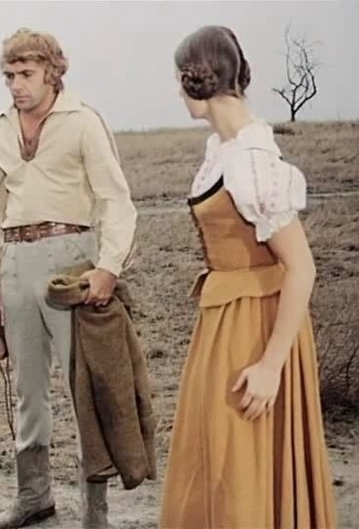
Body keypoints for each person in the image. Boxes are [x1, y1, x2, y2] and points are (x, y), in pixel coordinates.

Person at [159, 25, 338, 528]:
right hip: (224, 320)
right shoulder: (225, 148)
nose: (177, 93)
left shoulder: (253, 161)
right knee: (214, 457)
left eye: (178, 80)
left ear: (194, 79)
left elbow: (301, 267)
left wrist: (270, 366)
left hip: (257, 326)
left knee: (240, 462)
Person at [0, 28, 138, 529]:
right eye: (9, 76)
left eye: (26, 74)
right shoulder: (1, 128)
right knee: (27, 389)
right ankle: (34, 497)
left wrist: (108, 267)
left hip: (72, 263)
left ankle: (95, 512)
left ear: (52, 72)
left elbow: (116, 201)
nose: (16, 85)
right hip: (16, 261)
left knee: (84, 387)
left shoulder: (83, 122)